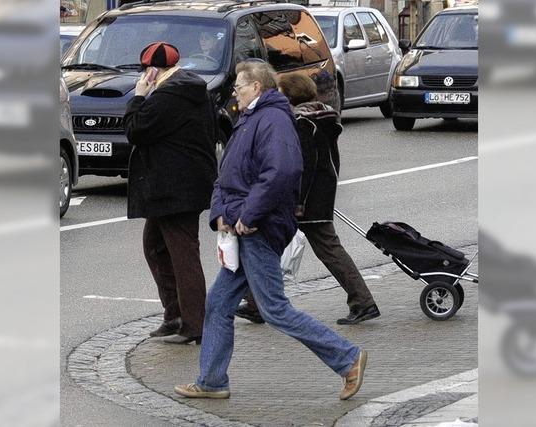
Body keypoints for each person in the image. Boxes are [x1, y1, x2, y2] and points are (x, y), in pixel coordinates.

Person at [174, 60, 367, 400]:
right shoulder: (249, 118)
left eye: (240, 85)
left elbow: (283, 172)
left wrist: (249, 215)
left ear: (257, 88)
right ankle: (212, 381)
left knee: (275, 309)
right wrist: (219, 212)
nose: (235, 90)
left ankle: (348, 358)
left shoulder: (274, 119)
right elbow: (226, 174)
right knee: (218, 305)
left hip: (257, 230)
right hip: (240, 228)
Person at [235, 74, 381, 326]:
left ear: (289, 95)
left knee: (287, 246)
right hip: (319, 195)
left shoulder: (302, 122)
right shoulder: (322, 116)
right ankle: (257, 303)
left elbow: (305, 165)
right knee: (275, 246)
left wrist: (299, 202)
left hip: (305, 201)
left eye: (280, 91)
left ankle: (362, 301)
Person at [123, 42, 217, 344]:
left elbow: (135, 129)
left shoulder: (168, 95)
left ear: (152, 70)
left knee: (183, 254)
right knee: (156, 246)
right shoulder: (192, 88)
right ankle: (175, 314)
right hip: (179, 184)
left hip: (173, 188)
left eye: (145, 71)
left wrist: (138, 96)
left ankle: (193, 324)